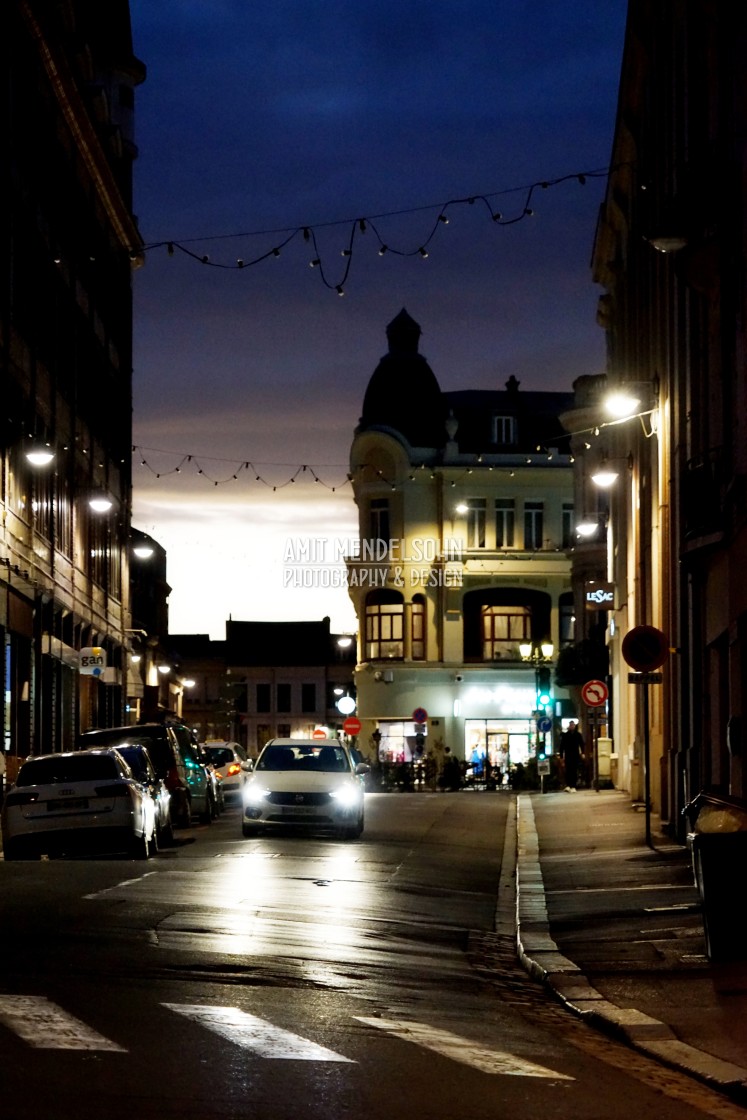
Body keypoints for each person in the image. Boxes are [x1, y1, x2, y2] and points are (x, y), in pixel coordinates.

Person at [559, 721, 585, 791]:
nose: (572, 726)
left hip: (575, 755)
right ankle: (568, 785)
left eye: (573, 725)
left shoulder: (578, 735)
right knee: (568, 771)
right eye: (571, 725)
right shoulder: (566, 735)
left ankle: (573, 785)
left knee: (574, 770)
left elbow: (582, 744)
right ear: (569, 726)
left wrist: (583, 753)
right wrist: (561, 756)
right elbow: (561, 747)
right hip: (568, 755)